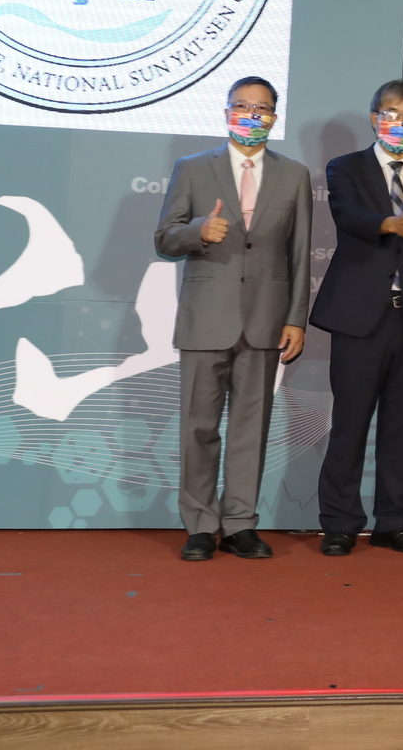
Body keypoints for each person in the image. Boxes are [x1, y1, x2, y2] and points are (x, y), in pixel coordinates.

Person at [154, 77, 311, 562]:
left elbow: (299, 253)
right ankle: (200, 523)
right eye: (242, 106)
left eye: (262, 108)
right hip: (206, 317)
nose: (252, 114)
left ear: (274, 117)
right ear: (226, 112)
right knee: (199, 426)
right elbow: (165, 237)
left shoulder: (294, 175)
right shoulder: (194, 168)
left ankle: (241, 523)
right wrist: (200, 230)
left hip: (266, 319)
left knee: (250, 427)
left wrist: (296, 318)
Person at [308, 80, 403, 556]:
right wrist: (390, 223)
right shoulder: (344, 168)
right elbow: (347, 215)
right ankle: (340, 522)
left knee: (402, 426)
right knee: (350, 423)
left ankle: (394, 520)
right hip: (358, 319)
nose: (402, 123)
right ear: (375, 118)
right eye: (392, 113)